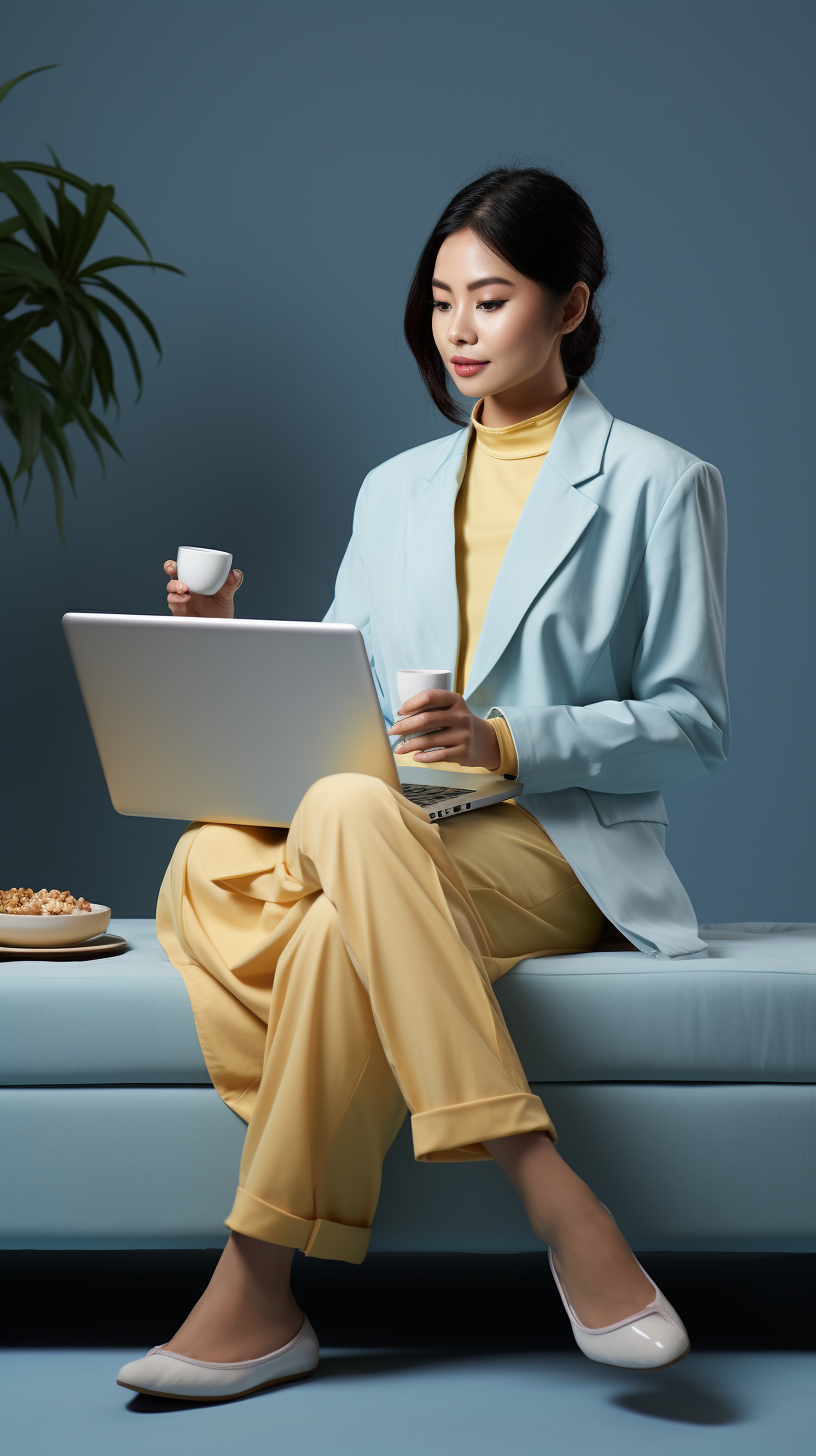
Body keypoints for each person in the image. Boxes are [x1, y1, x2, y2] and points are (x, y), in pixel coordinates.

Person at [117, 167, 729, 1401]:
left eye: (490, 298)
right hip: (391, 828)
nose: (457, 328)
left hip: (548, 842)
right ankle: (542, 1180)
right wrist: (229, 638)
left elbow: (692, 720)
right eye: (441, 299)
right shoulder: (390, 489)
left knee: (344, 833)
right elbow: (334, 711)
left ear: (569, 305)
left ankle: (259, 1282)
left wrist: (503, 741)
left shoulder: (663, 483)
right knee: (251, 843)